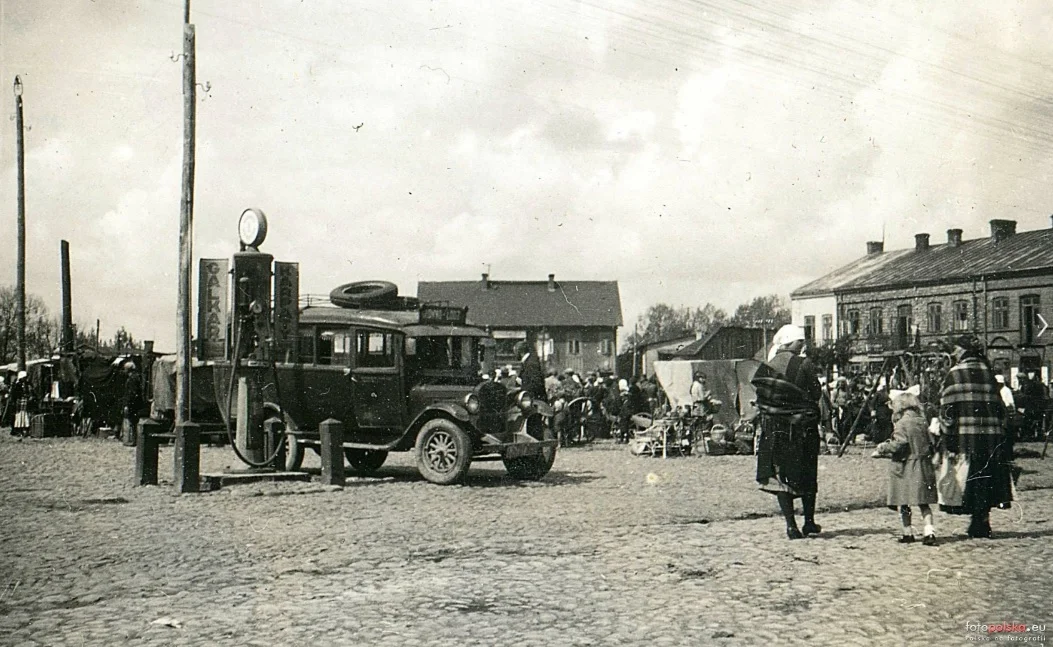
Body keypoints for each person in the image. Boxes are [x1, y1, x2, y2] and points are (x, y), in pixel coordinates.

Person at [752, 324, 823, 540]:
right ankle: (808, 522)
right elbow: (815, 392)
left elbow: (762, 394)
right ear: (791, 342)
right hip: (800, 427)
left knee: (781, 476)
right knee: (807, 473)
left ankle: (791, 525)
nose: (803, 345)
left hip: (774, 429)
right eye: (800, 342)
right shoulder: (804, 364)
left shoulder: (766, 366)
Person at [938, 335, 1013, 539]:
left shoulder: (955, 373)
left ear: (962, 351)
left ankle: (976, 521)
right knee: (986, 478)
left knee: (969, 480)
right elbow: (1000, 407)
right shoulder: (988, 372)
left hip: (965, 436)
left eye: (955, 350)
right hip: (990, 437)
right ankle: (983, 520)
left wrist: (946, 432)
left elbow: (947, 409)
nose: (953, 354)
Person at [873, 392, 938, 545]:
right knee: (923, 502)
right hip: (923, 465)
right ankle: (929, 531)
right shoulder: (922, 421)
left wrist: (883, 448)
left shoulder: (902, 423)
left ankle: (907, 532)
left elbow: (899, 444)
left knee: (904, 502)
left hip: (906, 466)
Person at [121, 361, 144, 447]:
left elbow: (131, 393)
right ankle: (134, 440)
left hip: (133, 404)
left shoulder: (132, 379)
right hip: (136, 403)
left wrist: (127, 404)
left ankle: (134, 440)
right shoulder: (136, 377)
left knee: (133, 422)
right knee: (134, 422)